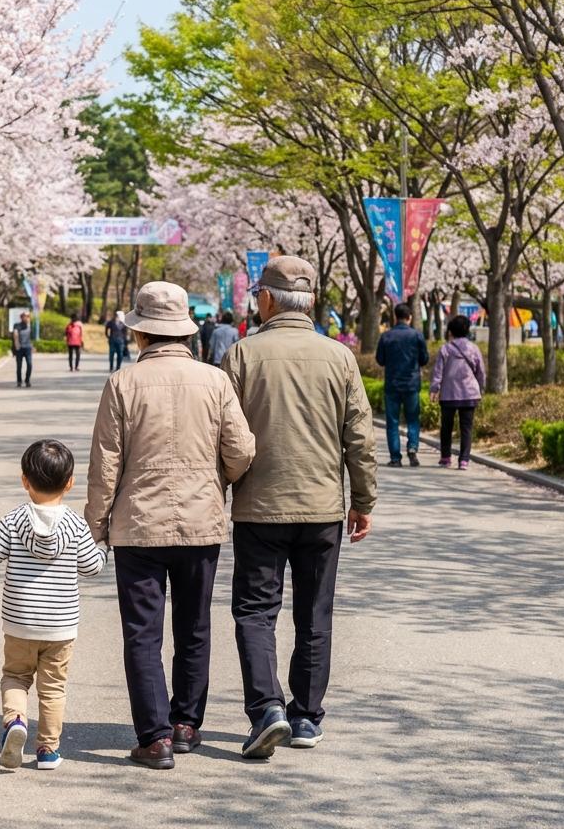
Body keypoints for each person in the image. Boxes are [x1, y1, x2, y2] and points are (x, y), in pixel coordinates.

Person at [87, 281, 256, 770]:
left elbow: (105, 467)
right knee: (194, 625)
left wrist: (95, 528)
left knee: (143, 632)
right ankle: (186, 723)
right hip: (201, 523)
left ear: (139, 334)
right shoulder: (215, 381)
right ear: (184, 331)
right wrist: (213, 480)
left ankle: (155, 737)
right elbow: (242, 450)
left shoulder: (122, 384)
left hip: (137, 526)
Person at [221, 256, 377, 758]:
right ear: (310, 302)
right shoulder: (340, 357)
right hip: (322, 506)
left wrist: (223, 487)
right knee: (314, 613)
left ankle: (267, 708)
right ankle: (306, 716)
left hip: (259, 506)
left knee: (255, 611)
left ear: (266, 299)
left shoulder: (242, 356)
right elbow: (359, 436)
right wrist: (363, 499)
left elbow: (224, 436)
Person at [0, 440, 106, 771]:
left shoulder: (15, 519)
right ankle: (47, 751)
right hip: (60, 626)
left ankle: (15, 722)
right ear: (70, 483)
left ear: (24, 480)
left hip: (20, 621)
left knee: (15, 676)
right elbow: (92, 566)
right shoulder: (75, 524)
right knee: (53, 688)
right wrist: (104, 546)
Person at [375, 302, 430, 467]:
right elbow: (424, 359)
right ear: (409, 317)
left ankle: (395, 458)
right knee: (413, 419)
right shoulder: (417, 335)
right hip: (412, 384)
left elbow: (380, 360)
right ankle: (412, 447)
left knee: (392, 421)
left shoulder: (386, 336)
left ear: (395, 317)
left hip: (392, 384)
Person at [429, 314, 486, 470]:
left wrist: (434, 389)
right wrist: (481, 388)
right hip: (469, 394)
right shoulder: (474, 349)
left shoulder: (446, 349)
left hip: (448, 394)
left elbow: (438, 372)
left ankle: (446, 457)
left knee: (446, 427)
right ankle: (464, 460)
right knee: (466, 428)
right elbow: (480, 372)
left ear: (451, 331)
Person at [13, 311, 33, 388]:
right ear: (21, 317)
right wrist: (16, 345)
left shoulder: (30, 325)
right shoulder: (17, 325)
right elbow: (15, 334)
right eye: (25, 316)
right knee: (19, 366)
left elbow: (31, 337)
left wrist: (32, 346)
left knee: (29, 364)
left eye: (28, 316)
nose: (27, 318)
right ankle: (19, 381)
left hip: (28, 348)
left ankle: (27, 380)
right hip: (20, 349)